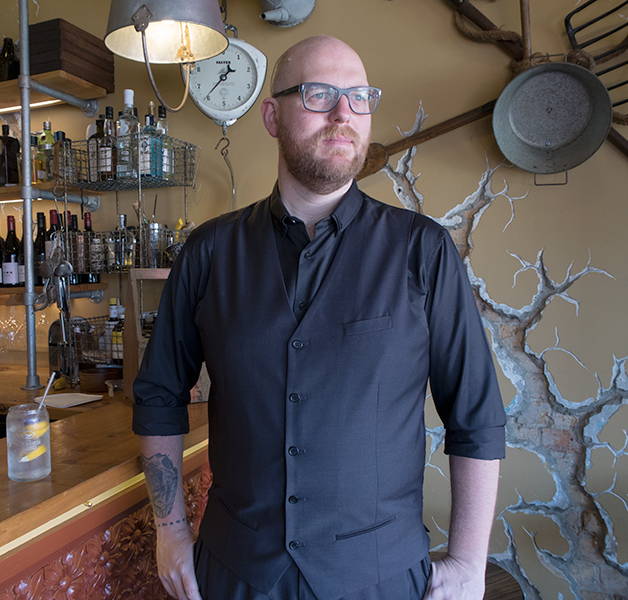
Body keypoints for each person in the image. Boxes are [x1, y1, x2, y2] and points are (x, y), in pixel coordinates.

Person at [133, 35, 507, 600]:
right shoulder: (209, 252)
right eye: (318, 95)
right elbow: (159, 395)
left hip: (380, 578)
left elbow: (476, 415)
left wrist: (469, 562)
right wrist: (169, 531)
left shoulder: (421, 250)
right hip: (237, 575)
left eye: (359, 97)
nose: (343, 114)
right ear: (272, 116)